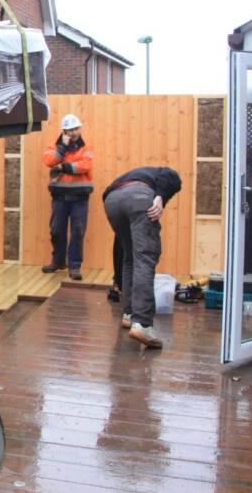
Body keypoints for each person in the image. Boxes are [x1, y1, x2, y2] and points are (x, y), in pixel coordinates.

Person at [102, 166, 182, 349]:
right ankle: (143, 323)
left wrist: (117, 280)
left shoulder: (132, 175)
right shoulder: (161, 176)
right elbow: (173, 176)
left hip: (111, 201)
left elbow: (118, 250)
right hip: (138, 199)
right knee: (145, 259)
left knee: (129, 258)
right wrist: (161, 196)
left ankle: (129, 314)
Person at [41, 114, 94, 281]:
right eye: (70, 129)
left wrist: (63, 166)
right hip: (60, 196)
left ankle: (75, 266)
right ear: (64, 131)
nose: (73, 132)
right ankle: (58, 262)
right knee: (56, 230)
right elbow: (49, 161)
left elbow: (86, 165)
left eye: (76, 129)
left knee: (78, 231)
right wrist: (62, 148)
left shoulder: (86, 147)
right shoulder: (55, 146)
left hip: (80, 197)